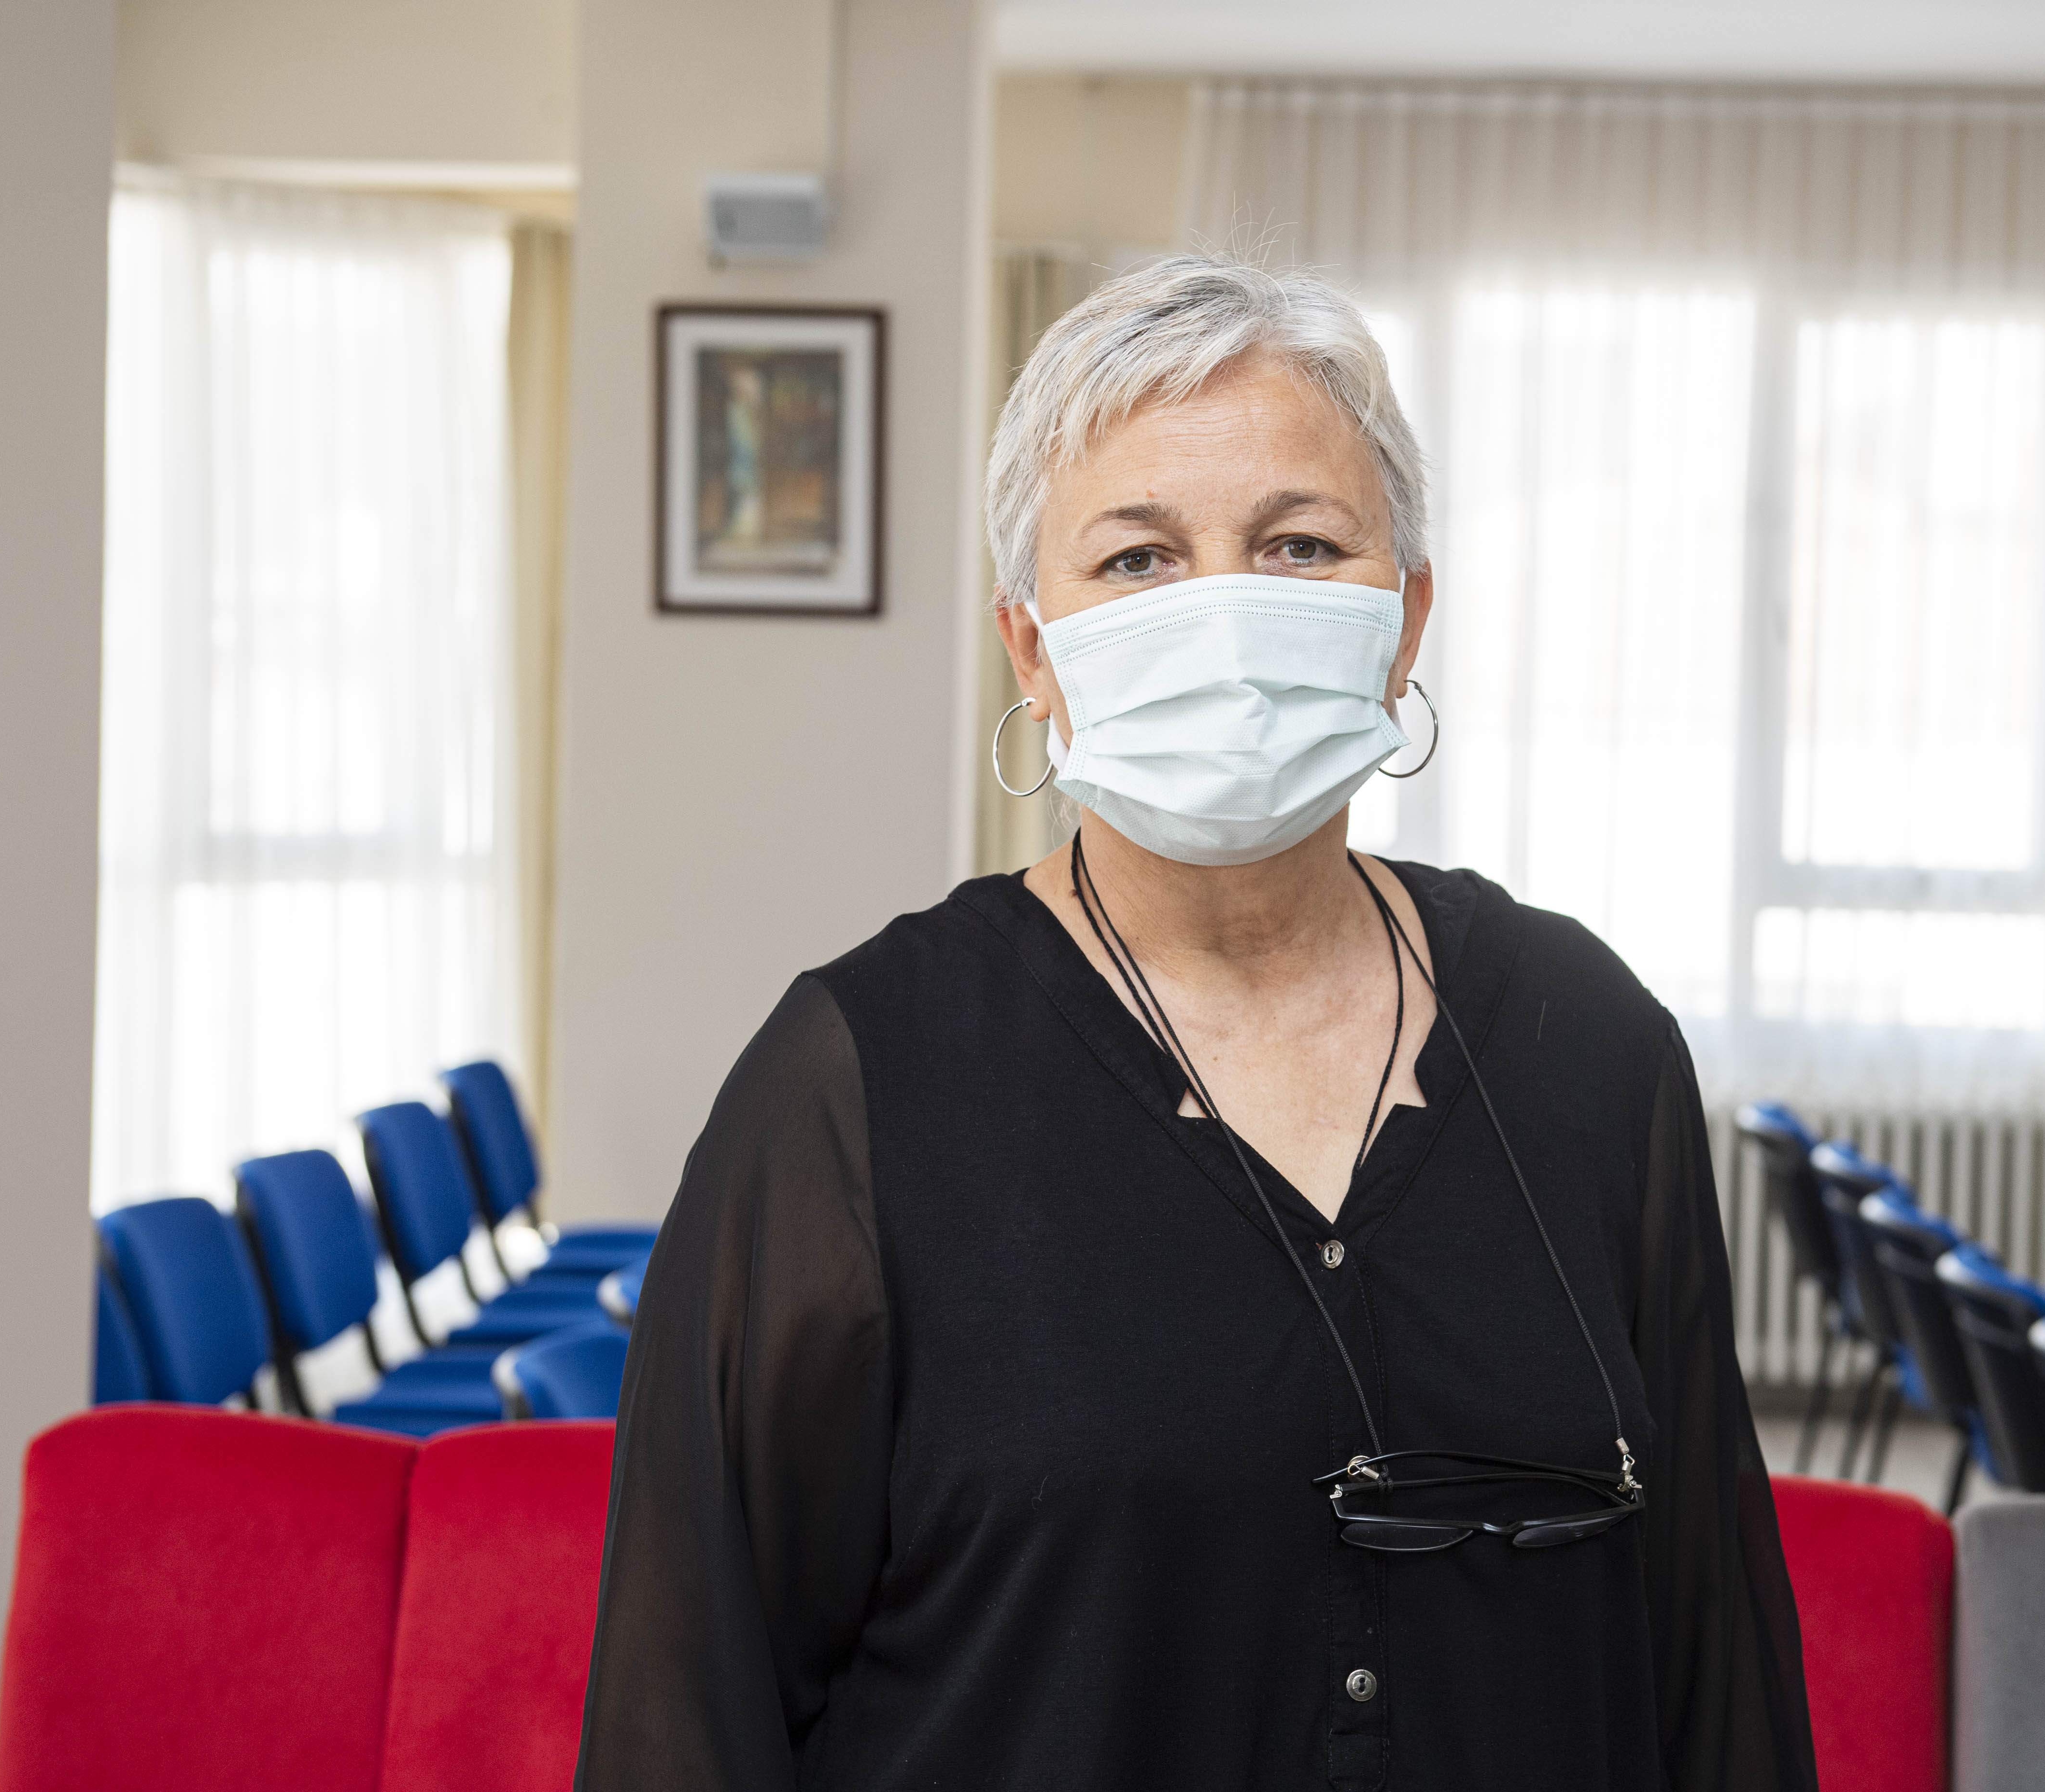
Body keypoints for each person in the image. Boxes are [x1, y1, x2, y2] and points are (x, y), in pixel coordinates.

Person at [574, 252, 1815, 1792]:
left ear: (1405, 621)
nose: (1225, 614)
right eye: (1140, 559)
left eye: (1301, 546)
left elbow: (1713, 1662)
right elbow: (685, 1711)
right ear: (1035, 649)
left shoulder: (1593, 1046)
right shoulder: (852, 1089)